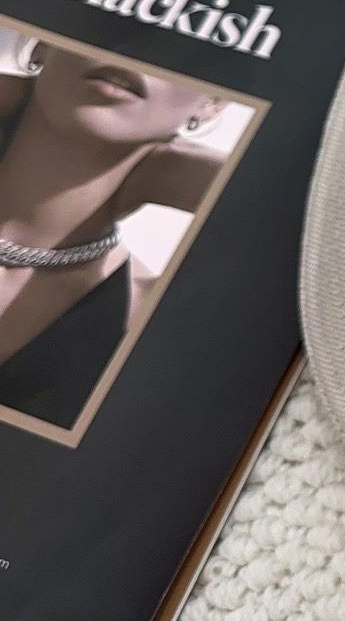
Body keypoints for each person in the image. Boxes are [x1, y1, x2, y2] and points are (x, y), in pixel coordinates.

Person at [0, 41, 226, 428]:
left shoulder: (151, 315)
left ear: (212, 103)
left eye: (192, 48)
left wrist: (222, 180)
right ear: (42, 44)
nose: (138, 54)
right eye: (116, 28)